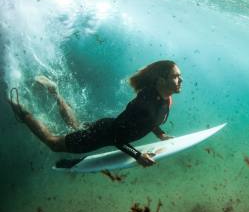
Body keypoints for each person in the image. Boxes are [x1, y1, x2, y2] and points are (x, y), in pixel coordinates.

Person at [9, 60, 183, 167]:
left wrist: (160, 134)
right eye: (176, 76)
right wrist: (137, 155)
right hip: (104, 133)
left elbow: (152, 122)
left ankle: (55, 93)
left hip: (107, 127)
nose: (181, 80)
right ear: (161, 80)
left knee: (76, 126)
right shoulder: (144, 104)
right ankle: (20, 110)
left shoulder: (165, 99)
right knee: (53, 143)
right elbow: (117, 139)